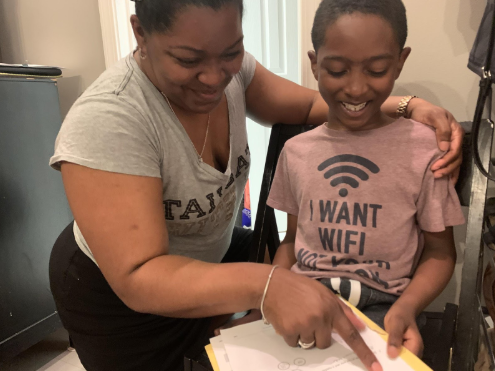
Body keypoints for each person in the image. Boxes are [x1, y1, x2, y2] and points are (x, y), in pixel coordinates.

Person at [48, 0, 464, 370]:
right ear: (140, 33)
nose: (214, 77)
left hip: (212, 264)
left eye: (230, 52)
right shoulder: (108, 119)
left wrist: (409, 107)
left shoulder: (234, 73)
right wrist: (268, 286)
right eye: (188, 59)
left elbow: (310, 104)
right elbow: (139, 276)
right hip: (120, 303)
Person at [256, 0, 465, 361]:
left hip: (384, 307)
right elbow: (291, 242)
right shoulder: (295, 152)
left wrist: (408, 308)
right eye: (337, 70)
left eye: (377, 69)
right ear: (314, 64)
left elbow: (440, 252)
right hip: (307, 300)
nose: (355, 89)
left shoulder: (424, 150)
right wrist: (271, 294)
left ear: (400, 61)